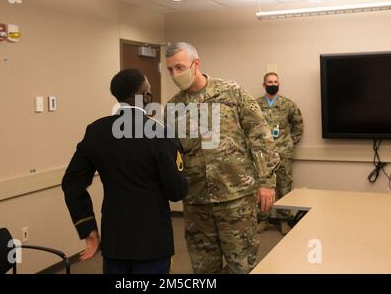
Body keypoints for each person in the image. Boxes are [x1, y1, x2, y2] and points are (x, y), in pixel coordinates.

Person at [164, 42, 280, 274]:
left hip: (235, 197)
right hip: (196, 202)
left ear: (196, 64)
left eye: (179, 67)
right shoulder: (173, 107)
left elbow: (260, 134)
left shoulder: (230, 91)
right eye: (170, 70)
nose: (175, 74)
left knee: (242, 265)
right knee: (204, 268)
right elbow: (171, 153)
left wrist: (267, 181)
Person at [61, 68, 188, 274]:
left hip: (115, 238)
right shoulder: (159, 132)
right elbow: (177, 192)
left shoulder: (96, 131)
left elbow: (71, 182)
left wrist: (87, 227)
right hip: (152, 240)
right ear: (147, 96)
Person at [256, 72, 304, 235]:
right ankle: (263, 219)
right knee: (263, 187)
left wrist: (290, 143)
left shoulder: (288, 105)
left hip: (283, 153)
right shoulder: (255, 105)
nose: (273, 84)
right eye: (270, 82)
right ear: (264, 85)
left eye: (276, 81)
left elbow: (298, 126)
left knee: (284, 186)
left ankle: (284, 219)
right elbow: (250, 127)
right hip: (263, 155)